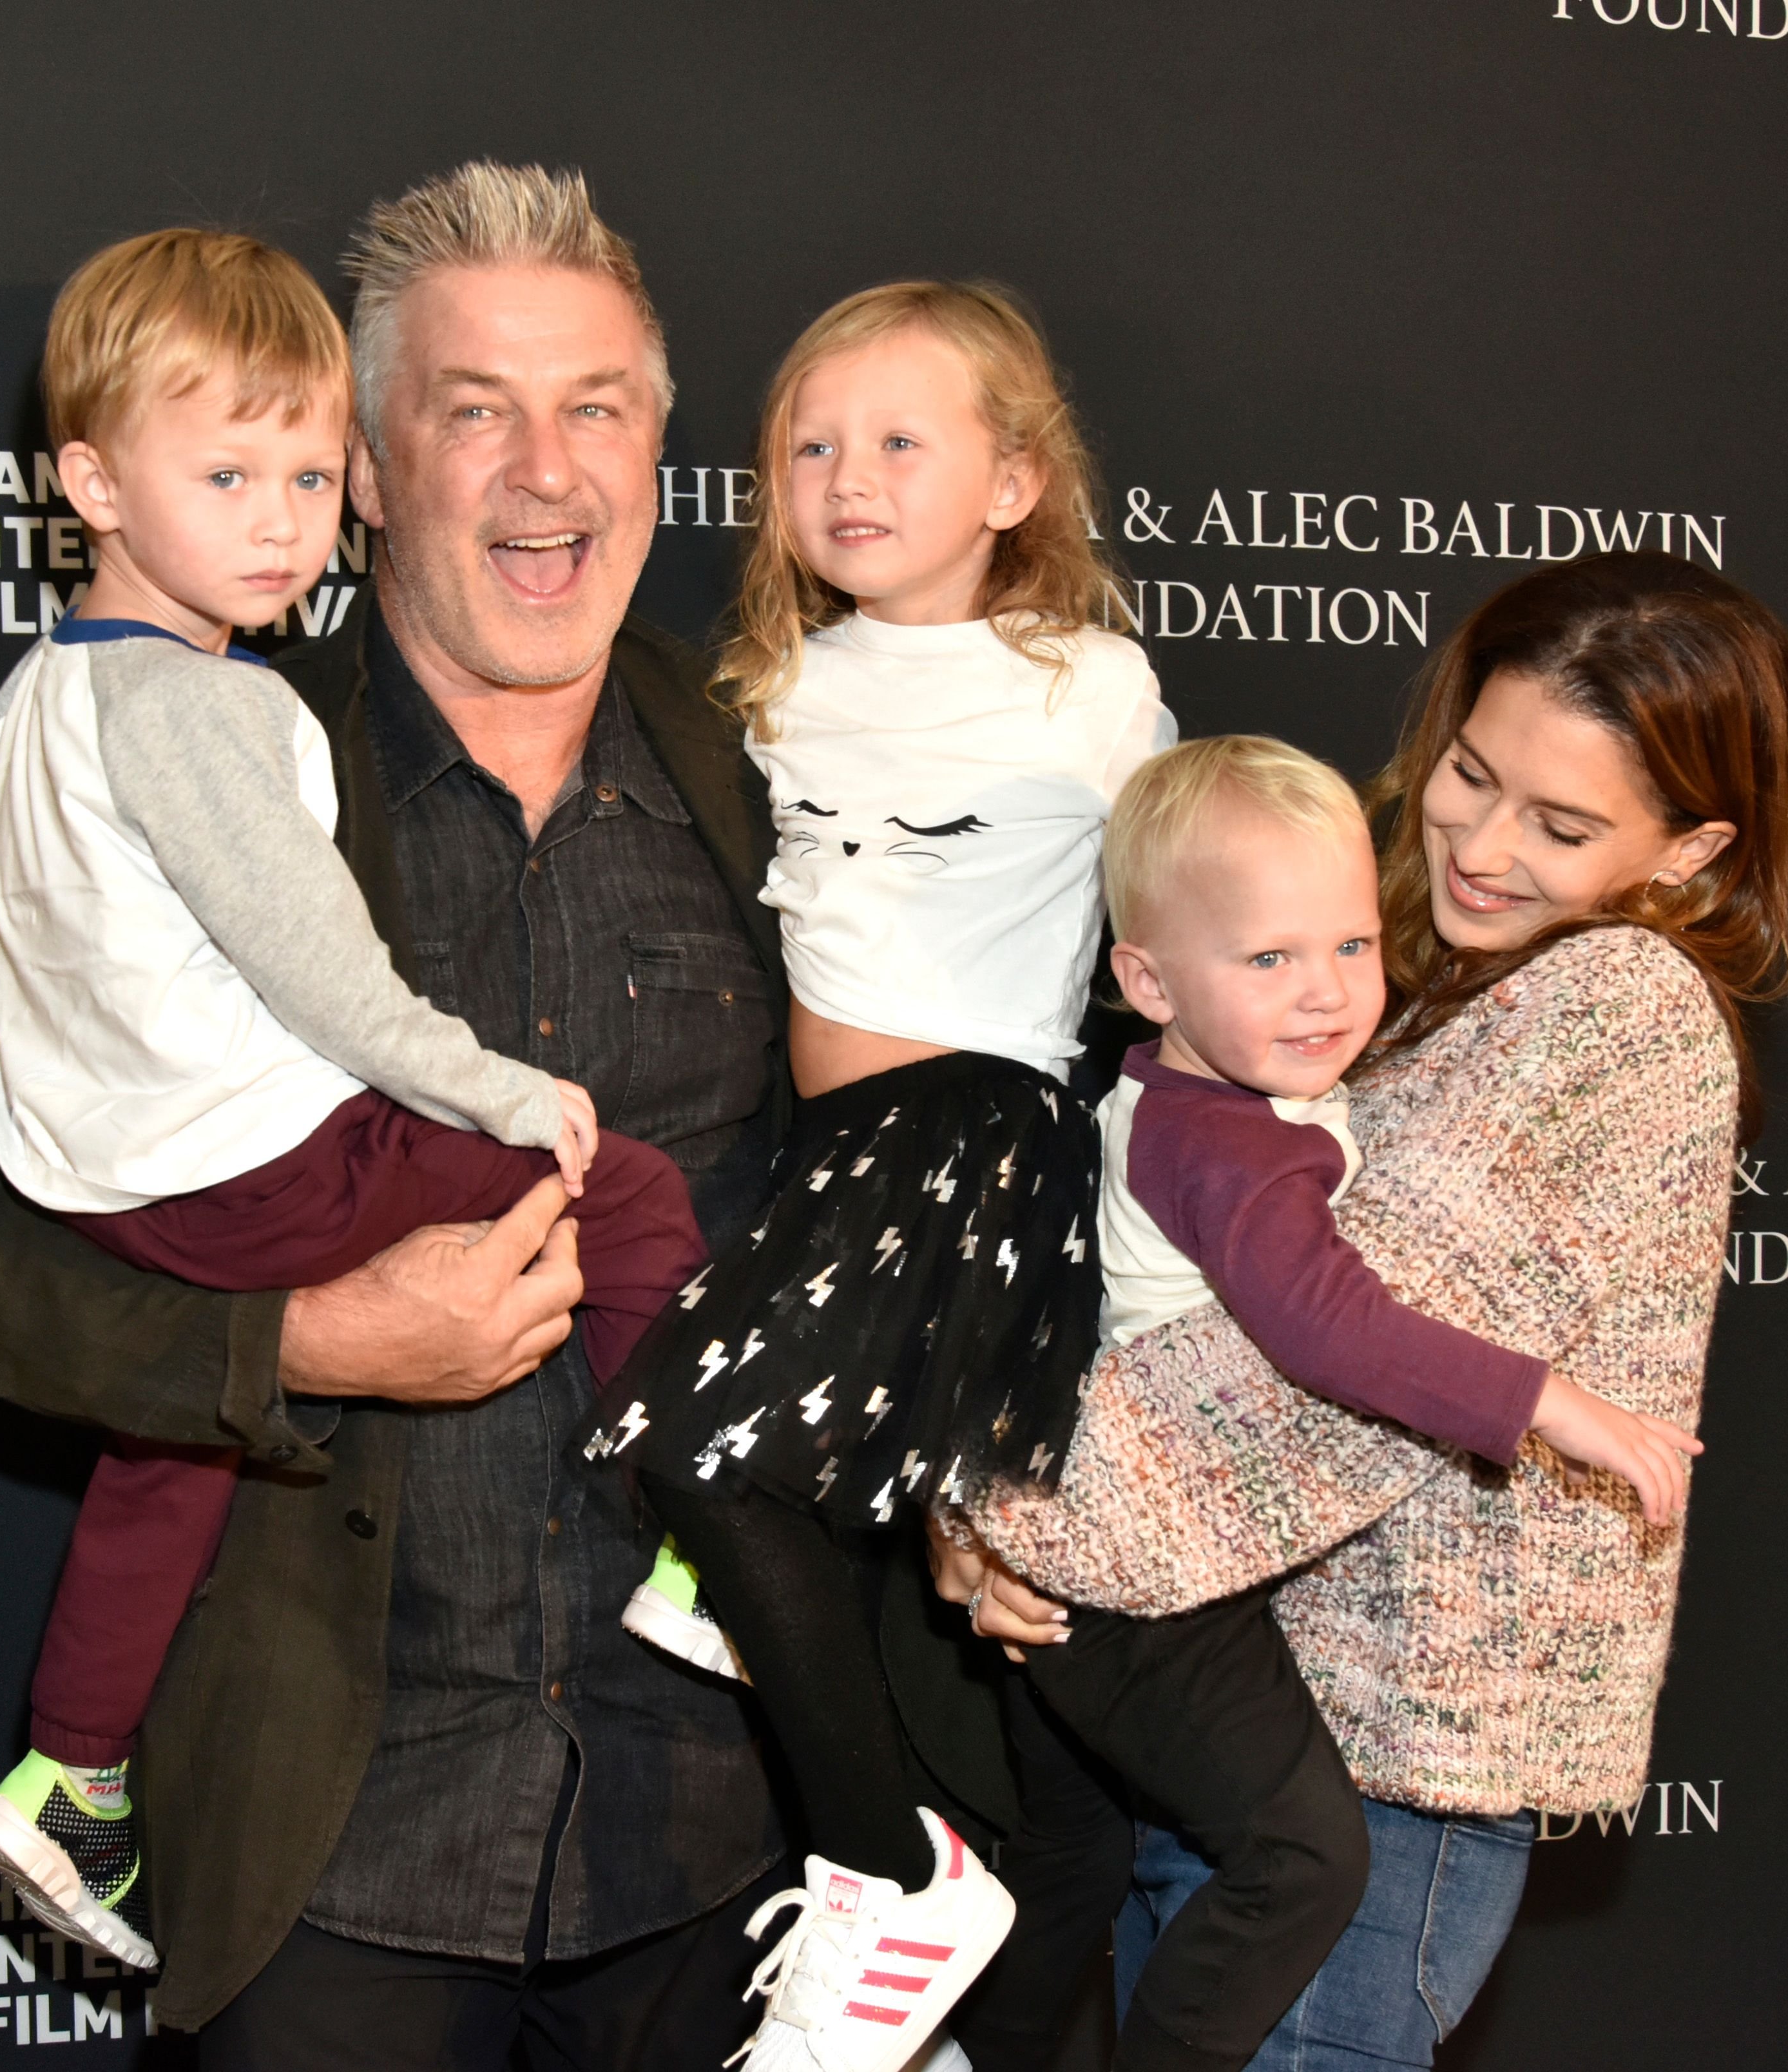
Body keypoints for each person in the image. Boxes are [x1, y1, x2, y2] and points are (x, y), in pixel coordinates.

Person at [0, 165, 809, 2064]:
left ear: (661, 451)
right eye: (477, 411)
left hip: (706, 1826)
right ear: (361, 467)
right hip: (335, 1847)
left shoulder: (767, 785)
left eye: (596, 407)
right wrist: (293, 1343)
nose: (550, 471)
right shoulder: (188, 753)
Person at [964, 552, 1788, 2071]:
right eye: (1468, 774)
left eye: (1559, 825)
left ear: (1688, 851)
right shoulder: (1410, 981)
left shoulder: (1611, 1011)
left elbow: (1315, 1384)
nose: (1478, 846)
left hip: (1389, 1778)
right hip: (1251, 1720)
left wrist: (1008, 1515)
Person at [584, 280, 1172, 2069]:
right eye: (811, 447)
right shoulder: (770, 686)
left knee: (689, 1448)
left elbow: (1183, 935)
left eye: (901, 442)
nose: (848, 478)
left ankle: (890, 1880)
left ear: (1013, 482)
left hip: (971, 1144)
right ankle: (854, 1783)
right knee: (700, 1478)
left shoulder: (1087, 683)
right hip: (825, 1161)